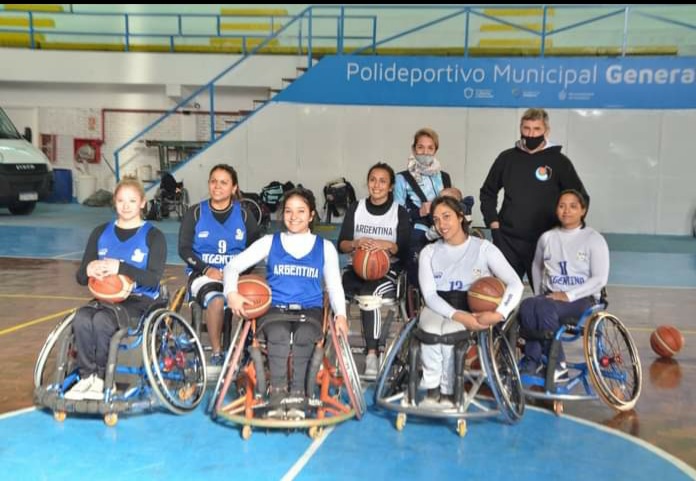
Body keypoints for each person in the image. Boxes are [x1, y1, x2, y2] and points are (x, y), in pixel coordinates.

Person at [224, 187, 348, 418]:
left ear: (311, 215)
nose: (294, 216)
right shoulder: (270, 242)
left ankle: (299, 395)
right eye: (288, 211)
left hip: (309, 310)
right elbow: (232, 267)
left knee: (304, 336)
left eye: (301, 211)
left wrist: (341, 314)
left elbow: (333, 285)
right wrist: (232, 293)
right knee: (278, 335)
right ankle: (278, 395)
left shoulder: (325, 247)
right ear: (282, 214)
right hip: (275, 309)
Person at [66, 176, 166, 401]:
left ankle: (102, 378)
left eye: (132, 201)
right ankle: (86, 378)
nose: (126, 206)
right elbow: (81, 277)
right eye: (121, 201)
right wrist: (89, 268)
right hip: (105, 298)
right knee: (82, 317)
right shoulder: (100, 232)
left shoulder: (153, 236)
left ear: (142, 202)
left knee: (102, 321)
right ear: (114, 202)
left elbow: (152, 279)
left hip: (139, 300)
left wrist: (120, 267)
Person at [418, 196, 523, 407]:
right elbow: (429, 295)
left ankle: (447, 392)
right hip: (438, 303)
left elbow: (515, 284)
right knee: (430, 330)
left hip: (470, 305)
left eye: (446, 217)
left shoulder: (484, 248)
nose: (441, 224)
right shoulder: (429, 252)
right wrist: (457, 315)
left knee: (449, 334)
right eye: (436, 220)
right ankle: (431, 389)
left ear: (460, 217)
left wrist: (498, 313)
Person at [480, 108, 589, 285]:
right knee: (500, 295)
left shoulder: (559, 162)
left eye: (537, 129)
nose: (531, 134)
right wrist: (493, 224)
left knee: (546, 296)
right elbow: (488, 192)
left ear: (546, 131)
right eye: (526, 129)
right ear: (520, 129)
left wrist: (569, 231)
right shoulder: (507, 158)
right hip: (507, 239)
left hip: (545, 240)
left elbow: (580, 198)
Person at [517, 189, 609, 381]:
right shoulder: (548, 238)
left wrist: (568, 295)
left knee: (544, 306)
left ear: (583, 210)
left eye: (573, 206)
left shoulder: (594, 239)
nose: (566, 210)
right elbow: (536, 265)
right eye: (562, 206)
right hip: (553, 297)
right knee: (527, 306)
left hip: (583, 299)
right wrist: (539, 293)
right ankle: (532, 359)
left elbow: (600, 279)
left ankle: (557, 364)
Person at [178, 164, 260, 366]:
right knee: (216, 300)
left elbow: (255, 249)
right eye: (213, 181)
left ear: (233, 188)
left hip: (236, 275)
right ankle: (217, 354)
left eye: (224, 182)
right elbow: (184, 249)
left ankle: (249, 351)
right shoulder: (195, 213)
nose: (217, 186)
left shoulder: (243, 214)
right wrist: (207, 269)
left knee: (256, 299)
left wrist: (240, 272)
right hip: (203, 274)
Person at [337, 162, 410, 377]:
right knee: (334, 293)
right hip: (356, 268)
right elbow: (342, 244)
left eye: (382, 181)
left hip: (387, 271)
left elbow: (404, 250)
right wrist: (357, 243)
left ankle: (372, 354)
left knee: (369, 295)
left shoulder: (399, 212)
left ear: (390, 187)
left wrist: (385, 245)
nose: (376, 185)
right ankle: (334, 351)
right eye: (372, 180)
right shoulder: (356, 208)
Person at [394, 127, 452, 287]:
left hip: (443, 227)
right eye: (420, 147)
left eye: (430, 148)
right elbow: (397, 214)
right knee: (416, 254)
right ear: (414, 149)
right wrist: (418, 211)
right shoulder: (402, 178)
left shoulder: (444, 177)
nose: (425, 152)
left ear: (435, 151)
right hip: (418, 227)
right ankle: (420, 289)